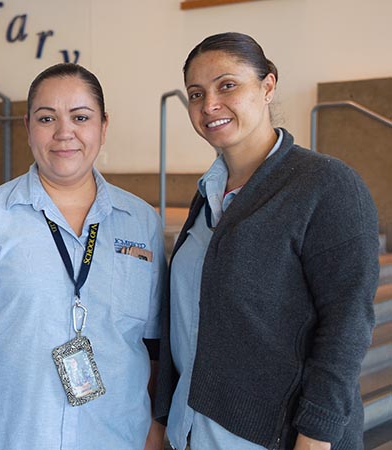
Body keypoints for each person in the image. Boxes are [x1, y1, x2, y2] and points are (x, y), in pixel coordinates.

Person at [0, 63, 166, 450]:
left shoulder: (142, 223)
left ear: (103, 126)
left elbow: (153, 344)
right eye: (47, 118)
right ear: (27, 127)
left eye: (80, 117)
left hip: (116, 437)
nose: (64, 132)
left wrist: (152, 426)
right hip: (13, 436)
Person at [153, 32, 378, 450]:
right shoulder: (209, 193)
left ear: (268, 85)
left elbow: (347, 323)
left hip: (273, 436)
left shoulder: (325, 184)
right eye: (196, 93)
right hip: (193, 427)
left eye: (228, 85)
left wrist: (315, 436)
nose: (209, 105)